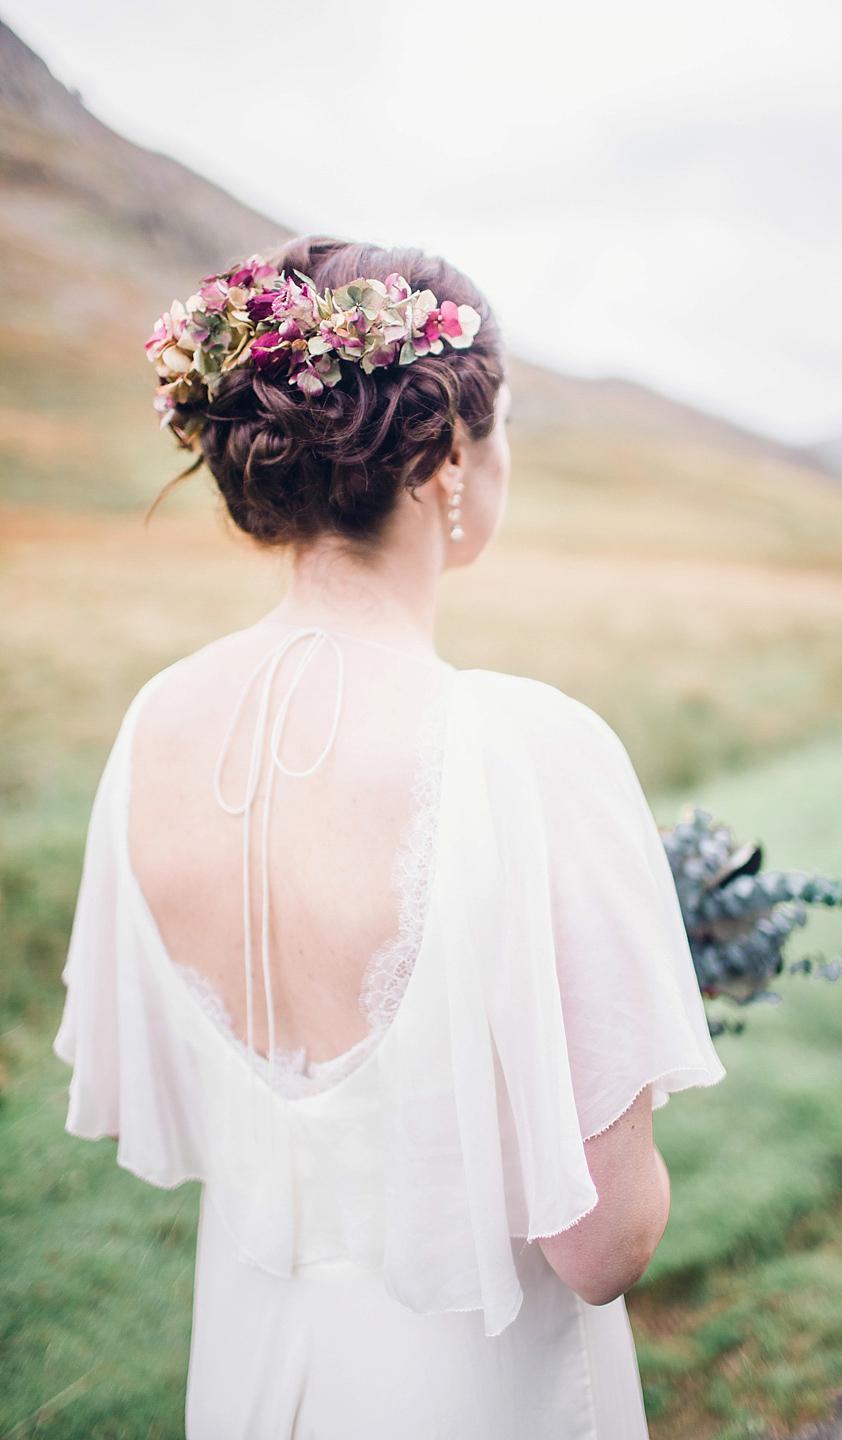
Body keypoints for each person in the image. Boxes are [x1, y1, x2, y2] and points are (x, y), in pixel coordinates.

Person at [54, 237, 724, 1440]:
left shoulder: (152, 728)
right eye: (501, 425)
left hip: (256, 1369)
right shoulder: (527, 747)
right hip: (477, 1393)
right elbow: (601, 1245)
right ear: (448, 452)